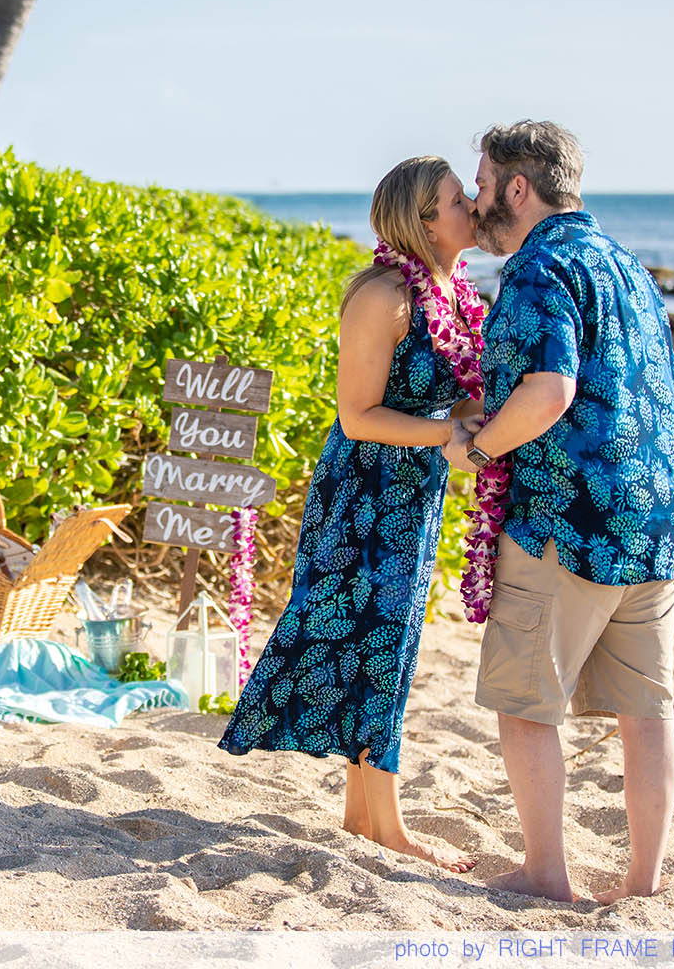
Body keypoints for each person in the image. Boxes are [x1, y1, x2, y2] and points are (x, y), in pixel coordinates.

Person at [445, 120, 674, 902]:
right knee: (646, 711)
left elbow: (549, 393)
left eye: (482, 186)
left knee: (524, 704)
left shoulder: (537, 268)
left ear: (520, 187)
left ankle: (547, 874)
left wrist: (476, 451)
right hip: (659, 518)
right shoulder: (626, 263)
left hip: (568, 521)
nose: (478, 202)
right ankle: (642, 881)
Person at [219, 156, 484, 873]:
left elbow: (449, 392)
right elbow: (358, 416)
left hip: (414, 490)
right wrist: (448, 436)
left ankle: (363, 814)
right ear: (424, 221)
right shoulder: (384, 296)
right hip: (365, 492)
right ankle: (388, 827)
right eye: (460, 201)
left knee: (386, 644)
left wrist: (483, 427)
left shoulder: (453, 291)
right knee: (374, 642)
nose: (475, 208)